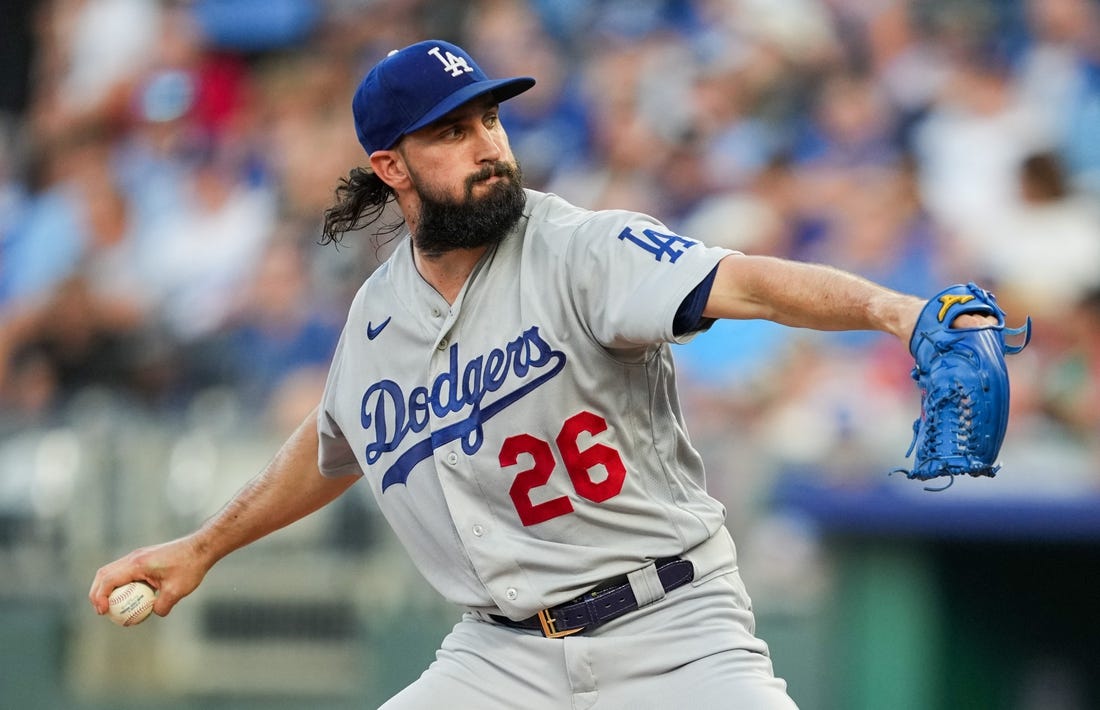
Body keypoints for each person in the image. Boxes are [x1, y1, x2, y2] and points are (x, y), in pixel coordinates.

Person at [89, 40, 996, 709]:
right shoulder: (377, 316)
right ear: (389, 166)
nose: (488, 145)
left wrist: (898, 312)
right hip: (497, 662)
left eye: (490, 118)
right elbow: (335, 444)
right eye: (452, 131)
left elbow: (748, 282)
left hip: (673, 636)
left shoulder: (578, 248)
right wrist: (201, 547)